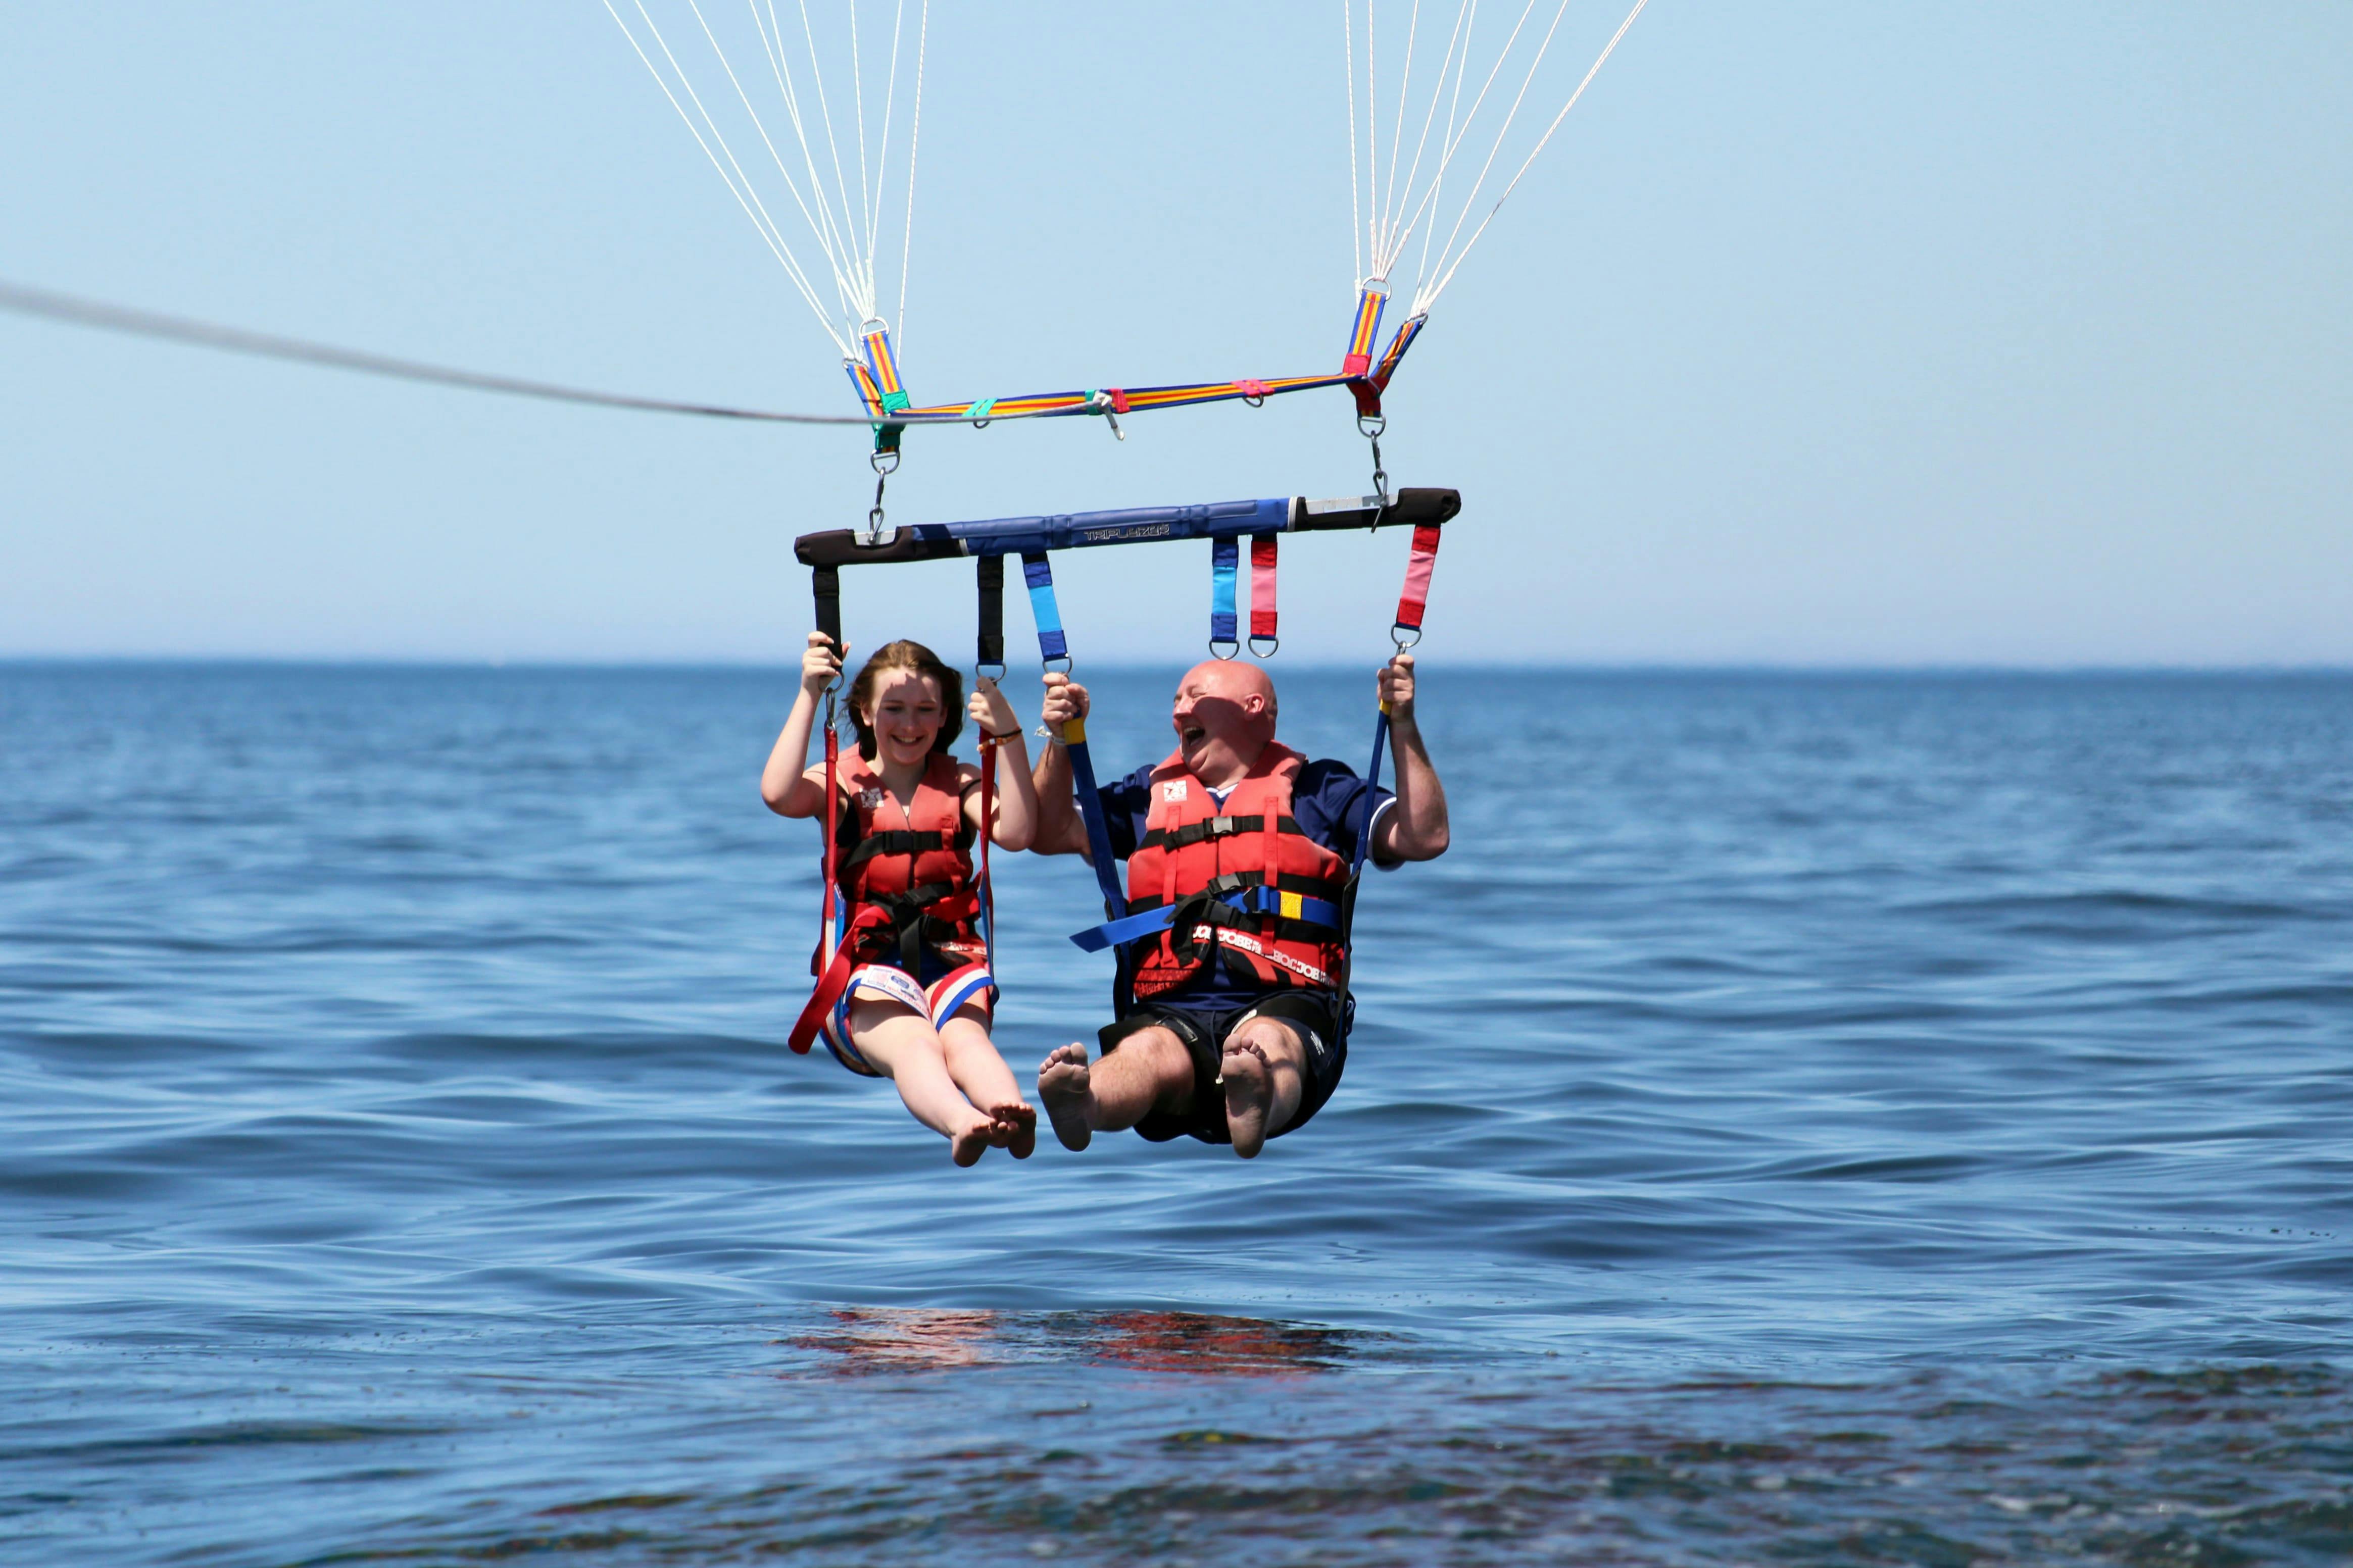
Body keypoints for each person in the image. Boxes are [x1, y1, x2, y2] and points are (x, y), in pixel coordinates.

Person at [1029, 654, 1449, 1157]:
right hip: (1169, 1005)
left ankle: (1255, 1100)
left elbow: (1424, 836)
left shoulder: (1321, 792)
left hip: (1286, 1000)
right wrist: (1059, 739)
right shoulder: (1149, 793)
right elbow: (1048, 830)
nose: (1178, 710)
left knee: (1268, 1042)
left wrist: (1400, 723)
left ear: (1252, 707)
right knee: (1145, 1054)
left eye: (1193, 696)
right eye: (1175, 701)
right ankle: (1085, 1102)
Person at [762, 633, 1041, 1165]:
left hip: (951, 959)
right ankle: (964, 1123)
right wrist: (807, 693)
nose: (909, 725)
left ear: (943, 719)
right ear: (865, 712)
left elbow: (1018, 833)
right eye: (894, 709)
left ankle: (1009, 1112)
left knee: (966, 1043)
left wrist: (1009, 736)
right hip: (864, 970)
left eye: (924, 711)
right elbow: (777, 794)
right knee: (917, 1044)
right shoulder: (839, 782)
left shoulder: (959, 781)